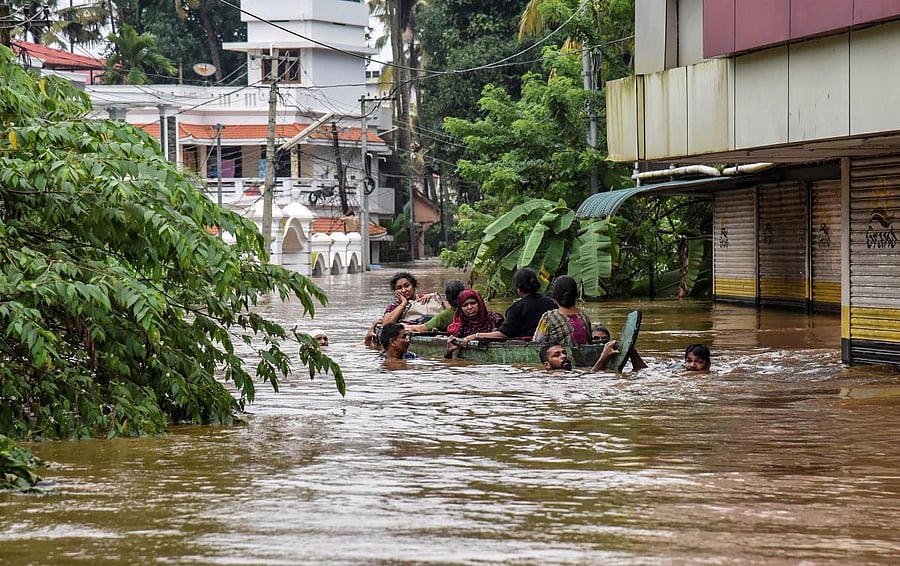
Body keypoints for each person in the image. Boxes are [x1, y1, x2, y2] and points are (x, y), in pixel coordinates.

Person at [459, 267, 555, 345]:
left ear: (518, 289)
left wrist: (476, 336)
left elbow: (504, 334)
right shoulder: (551, 303)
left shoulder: (516, 308)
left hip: (523, 346)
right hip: (550, 345)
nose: (470, 307)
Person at [532, 275, 592, 346]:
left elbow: (537, 342)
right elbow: (589, 340)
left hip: (558, 355)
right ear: (575, 294)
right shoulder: (584, 314)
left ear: (554, 296)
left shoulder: (548, 317)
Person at [444, 289, 504, 358]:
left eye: (473, 303)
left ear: (480, 303)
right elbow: (449, 360)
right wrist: (448, 352)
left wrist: (475, 336)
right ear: (461, 309)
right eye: (465, 305)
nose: (469, 307)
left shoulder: (495, 320)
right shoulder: (460, 328)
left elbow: (503, 335)